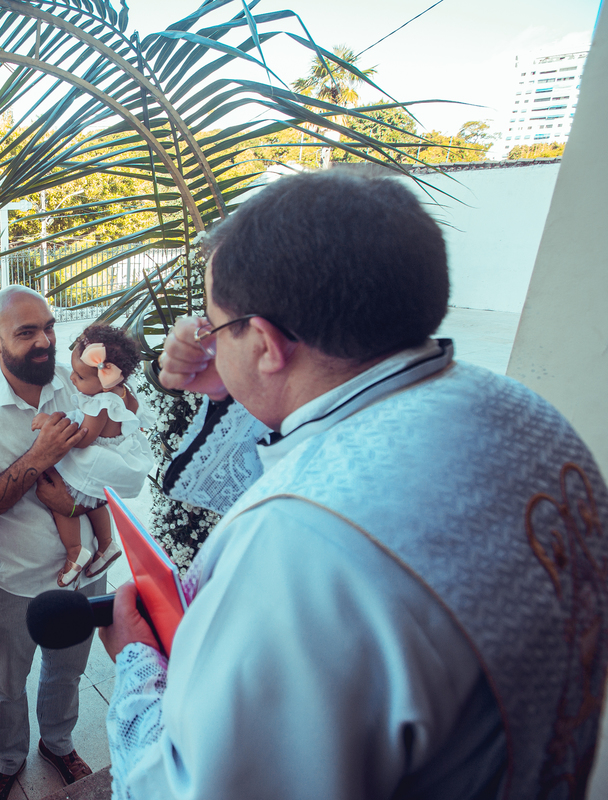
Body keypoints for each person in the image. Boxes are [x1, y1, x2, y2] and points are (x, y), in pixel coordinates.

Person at [99, 169, 608, 800]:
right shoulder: (528, 418)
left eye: (211, 324)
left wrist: (137, 666)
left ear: (264, 341)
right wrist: (240, 384)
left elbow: (191, 789)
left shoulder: (300, 543)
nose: (201, 340)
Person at [0, 286, 104, 800]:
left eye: (49, 327)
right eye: (26, 332)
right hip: (11, 578)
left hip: (84, 573)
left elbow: (112, 455)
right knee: (6, 686)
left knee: (67, 673)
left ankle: (58, 742)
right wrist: (38, 455)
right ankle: (7, 760)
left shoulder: (75, 386)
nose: (44, 342)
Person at [31, 323, 153, 586]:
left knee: (61, 498)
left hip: (96, 456)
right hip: (117, 453)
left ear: (105, 379)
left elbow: (84, 438)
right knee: (95, 497)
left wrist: (52, 423)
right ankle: (106, 543)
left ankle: (75, 551)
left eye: (80, 376)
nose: (72, 379)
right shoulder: (122, 391)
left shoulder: (100, 402)